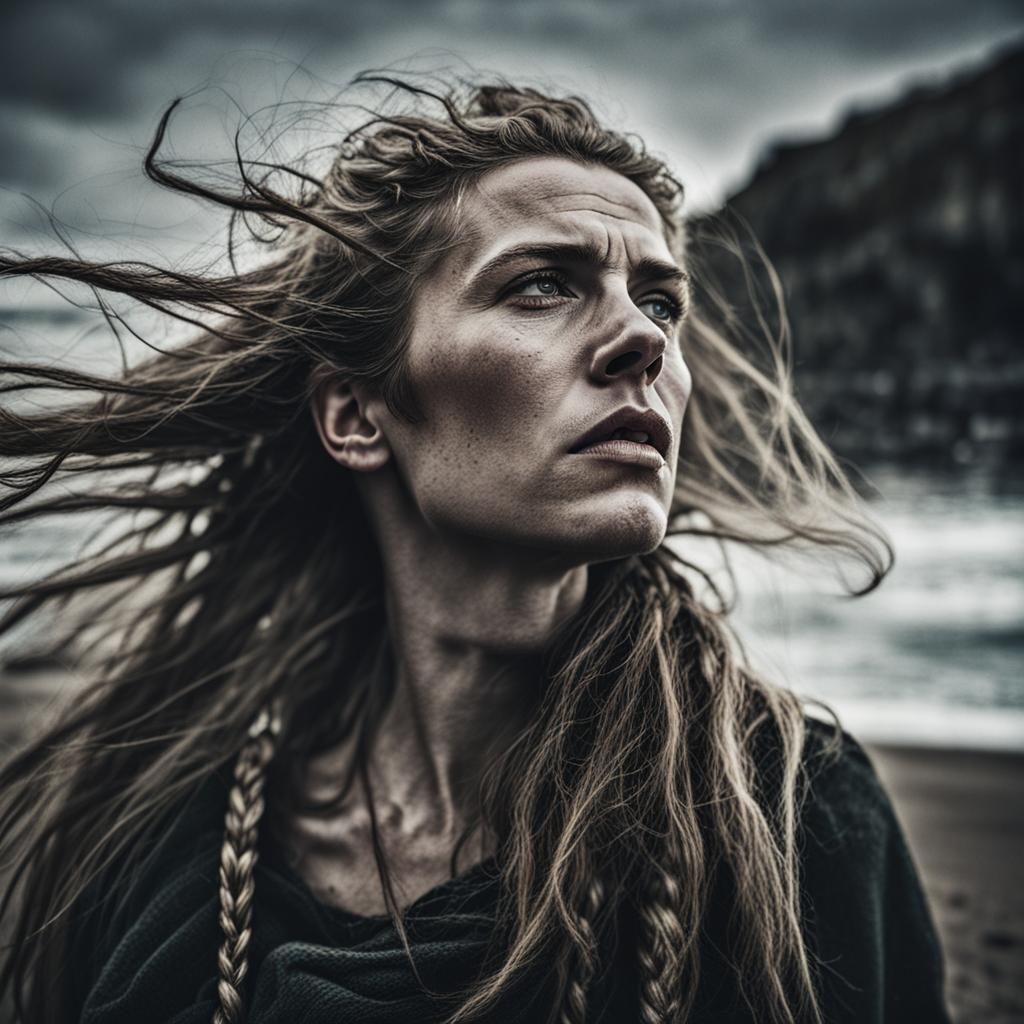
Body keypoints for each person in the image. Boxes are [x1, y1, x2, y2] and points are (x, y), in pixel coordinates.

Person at [0, 76, 950, 1024]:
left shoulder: (796, 821)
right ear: (356, 415)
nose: (640, 341)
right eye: (541, 286)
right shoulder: (155, 830)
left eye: (660, 303)